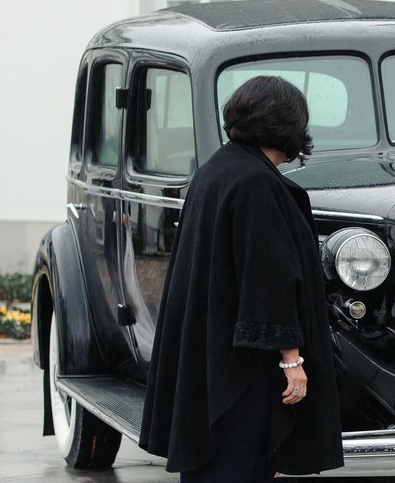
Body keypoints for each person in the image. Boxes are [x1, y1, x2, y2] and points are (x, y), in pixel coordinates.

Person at [140, 76, 344, 482]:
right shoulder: (255, 183)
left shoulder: (216, 171)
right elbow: (270, 279)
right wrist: (293, 360)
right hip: (244, 368)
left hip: (210, 360)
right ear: (289, 125)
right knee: (240, 464)